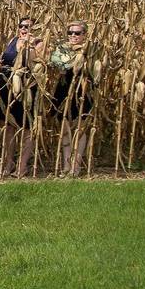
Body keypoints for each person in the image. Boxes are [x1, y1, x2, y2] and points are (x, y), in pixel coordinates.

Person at [0, 17, 42, 177]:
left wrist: (28, 45)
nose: (24, 29)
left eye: (28, 26)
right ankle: (8, 162)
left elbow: (36, 64)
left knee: (27, 128)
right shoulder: (12, 40)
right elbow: (4, 59)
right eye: (22, 26)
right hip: (7, 87)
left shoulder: (39, 43)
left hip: (26, 89)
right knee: (9, 127)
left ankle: (22, 165)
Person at [50, 21, 96, 175]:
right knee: (64, 129)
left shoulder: (91, 49)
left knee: (80, 129)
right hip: (64, 90)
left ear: (84, 35)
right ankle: (66, 165)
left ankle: (75, 167)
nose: (73, 36)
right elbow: (58, 63)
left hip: (82, 91)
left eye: (77, 33)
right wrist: (77, 60)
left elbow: (94, 70)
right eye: (70, 33)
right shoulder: (61, 48)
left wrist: (74, 61)